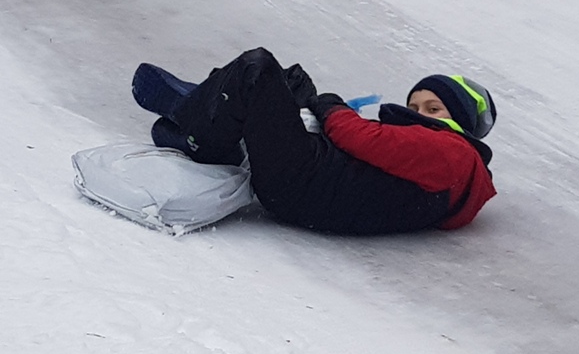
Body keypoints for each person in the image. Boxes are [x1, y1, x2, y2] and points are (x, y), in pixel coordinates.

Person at [131, 48, 497, 235]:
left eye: (433, 108)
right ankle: (213, 108)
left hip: (307, 179)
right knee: (289, 85)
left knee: (257, 69)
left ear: (460, 123)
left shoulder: (453, 152)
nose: (418, 113)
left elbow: (356, 136)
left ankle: (196, 127)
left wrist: (329, 105)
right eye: (414, 106)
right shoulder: (457, 179)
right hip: (315, 191)